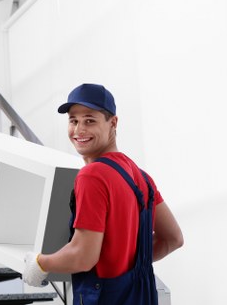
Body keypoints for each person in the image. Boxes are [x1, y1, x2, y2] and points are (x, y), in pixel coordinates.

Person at [22, 83, 183, 304]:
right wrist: (127, 267)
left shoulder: (92, 176)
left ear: (113, 123)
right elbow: (173, 239)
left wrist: (41, 263)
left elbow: (83, 257)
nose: (79, 130)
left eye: (90, 120)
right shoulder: (141, 177)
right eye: (73, 120)